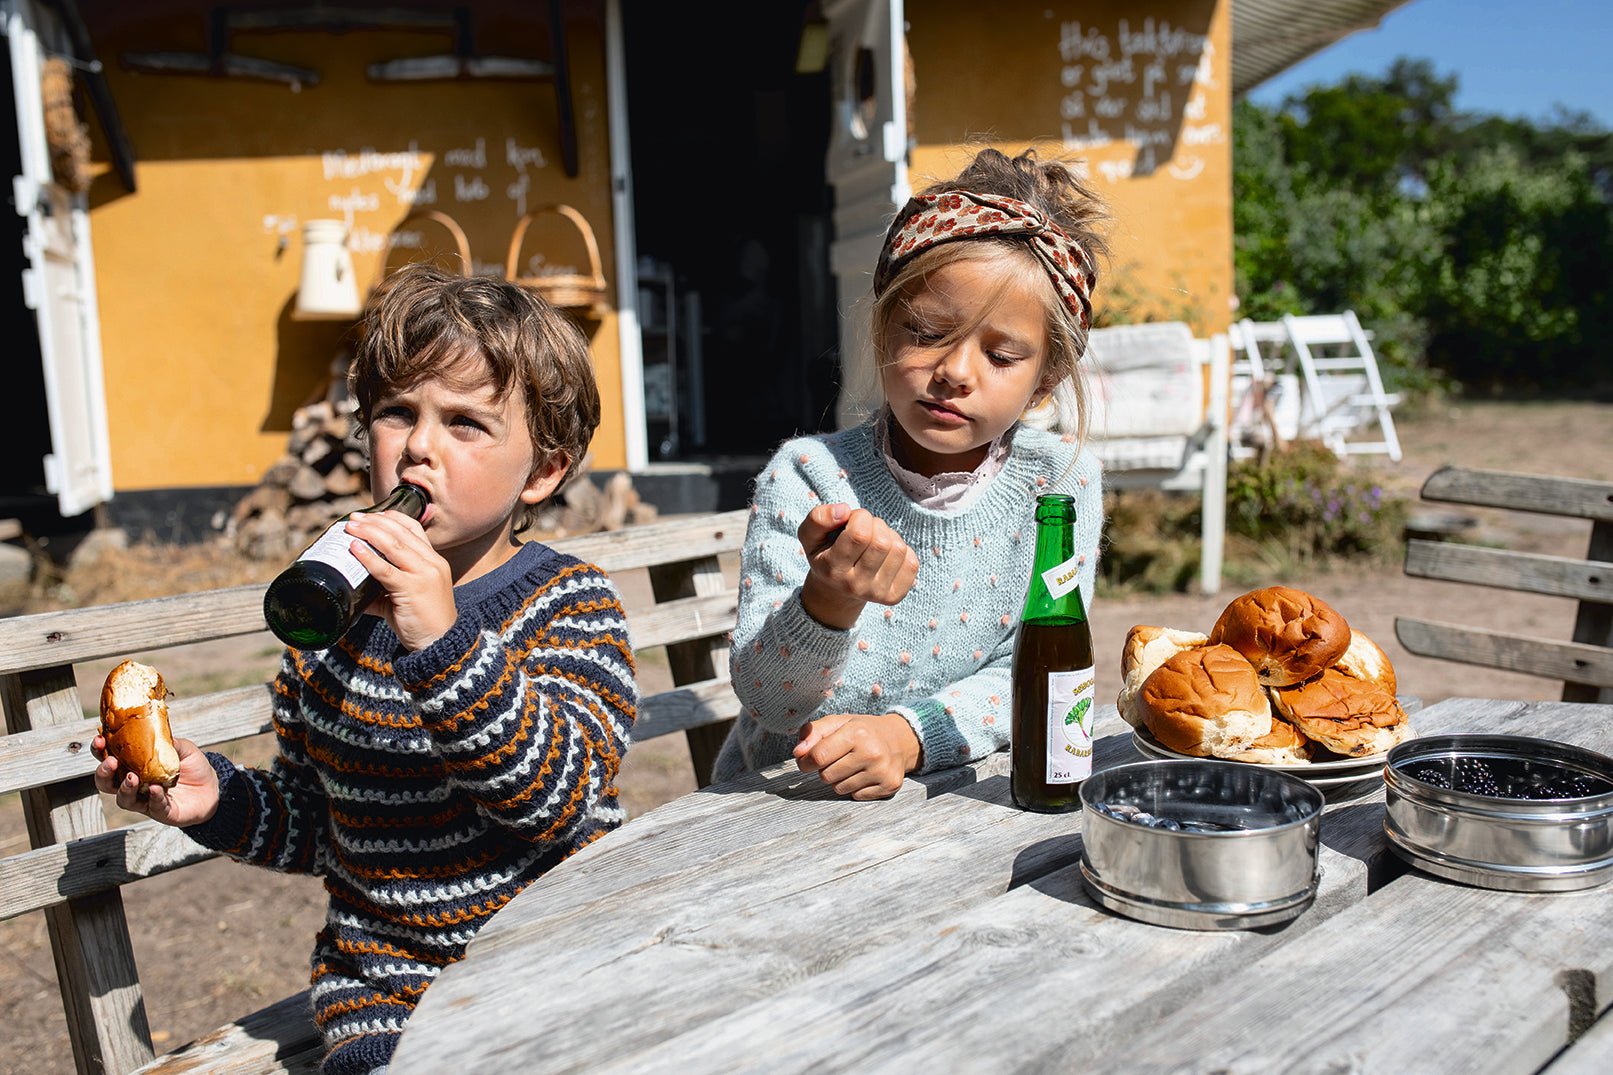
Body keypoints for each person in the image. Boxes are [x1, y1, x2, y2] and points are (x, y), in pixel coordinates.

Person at [92, 264, 637, 1075]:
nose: (418, 446)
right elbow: (326, 825)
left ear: (545, 469)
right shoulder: (329, 627)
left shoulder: (569, 604)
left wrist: (441, 639)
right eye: (396, 413)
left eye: (465, 424)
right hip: (390, 985)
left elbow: (555, 800)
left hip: (560, 951)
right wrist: (220, 801)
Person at [716, 146, 1109, 799]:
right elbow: (769, 700)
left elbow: (1036, 670)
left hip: (954, 798)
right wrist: (828, 599)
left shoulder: (1061, 483)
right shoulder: (811, 477)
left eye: (1001, 354)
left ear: (1045, 379)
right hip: (782, 803)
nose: (954, 371)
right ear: (882, 330)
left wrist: (906, 736)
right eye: (924, 331)